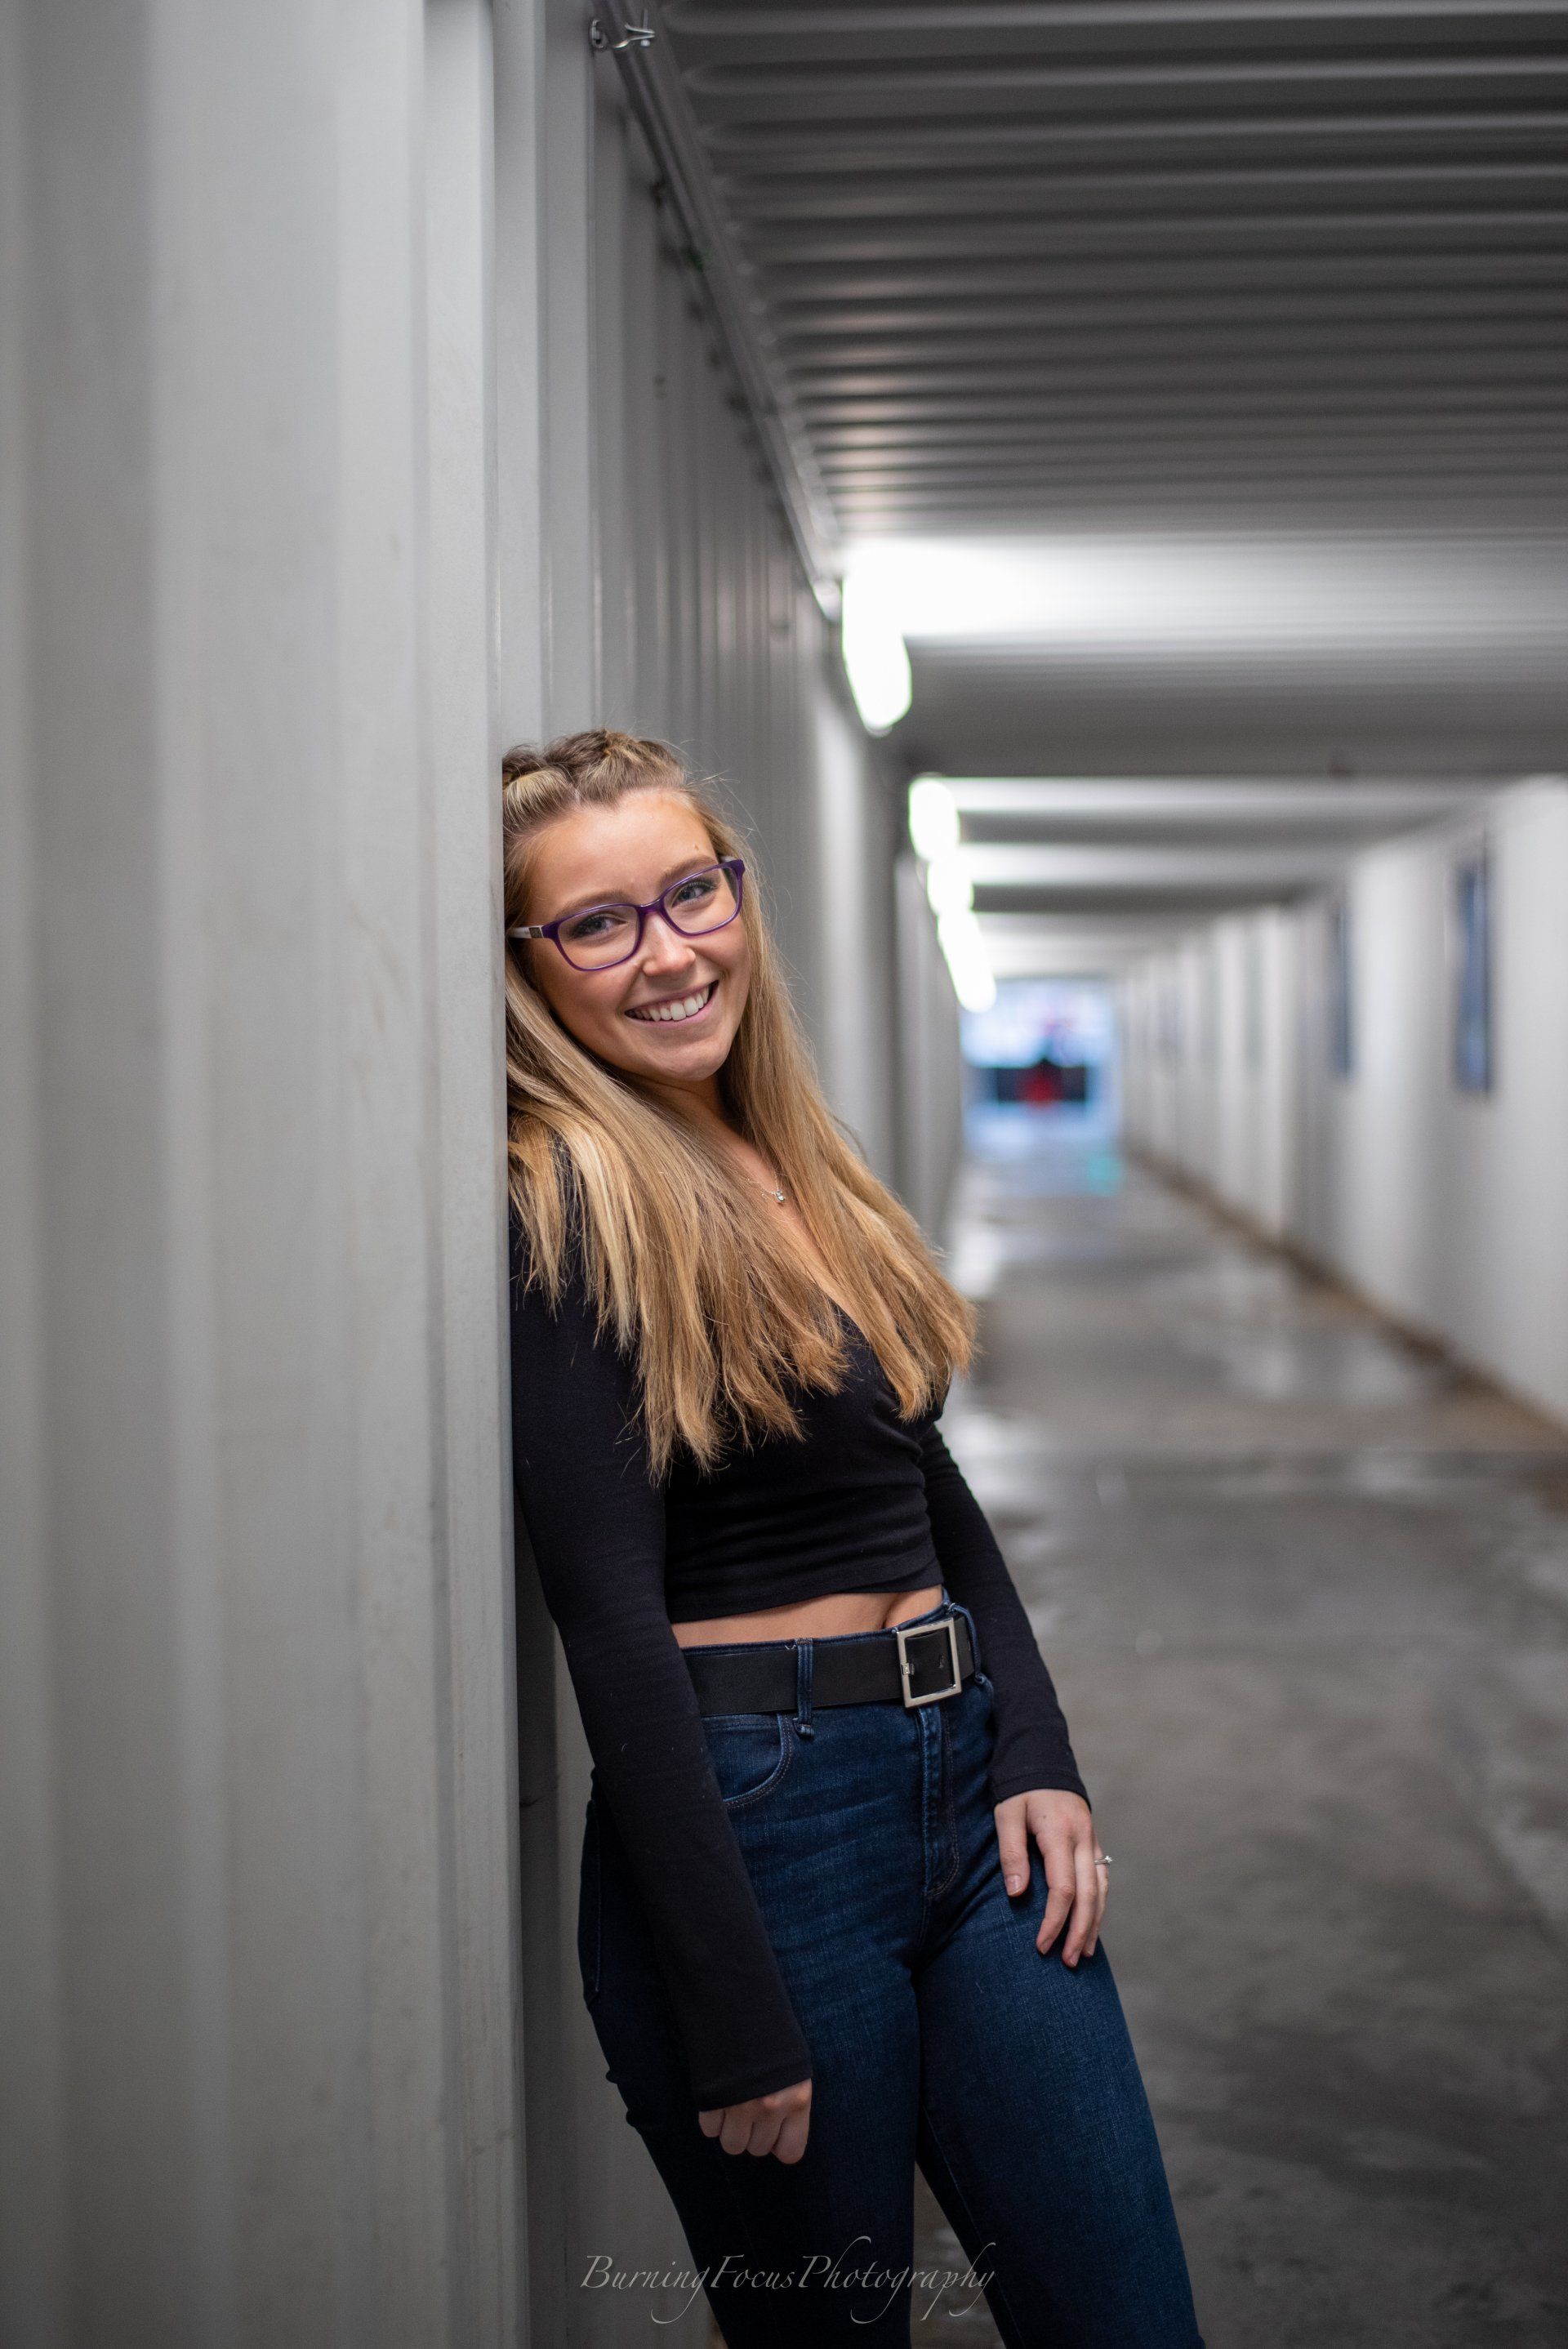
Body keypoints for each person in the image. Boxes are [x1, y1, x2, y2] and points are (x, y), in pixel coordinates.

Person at [504, 729, 1204, 2348]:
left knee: (1129, 2316)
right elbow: (607, 1621)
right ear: (532, 969)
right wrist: (729, 2011)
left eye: (692, 891)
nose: (669, 949)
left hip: (963, 1801)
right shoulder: (572, 1199)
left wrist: (1036, 1744)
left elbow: (927, 1490)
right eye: (599, 922)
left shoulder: (791, 1159)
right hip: (765, 1837)